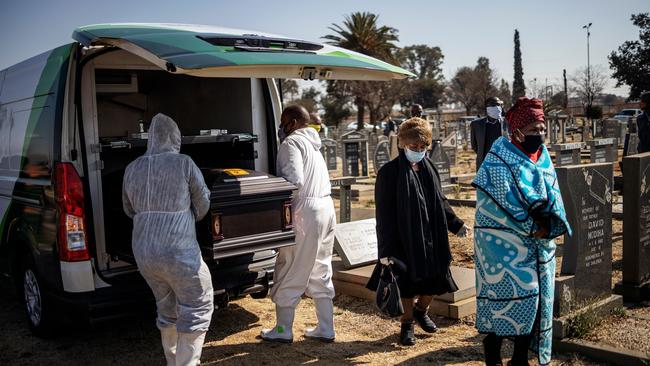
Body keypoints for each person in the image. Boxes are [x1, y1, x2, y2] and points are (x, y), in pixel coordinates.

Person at [472, 97, 571, 366]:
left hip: (539, 243)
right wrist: (530, 227)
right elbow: (500, 200)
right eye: (532, 130)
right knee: (503, 299)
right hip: (500, 244)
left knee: (535, 302)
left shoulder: (543, 154)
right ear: (516, 131)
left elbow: (553, 190)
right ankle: (492, 354)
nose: (538, 135)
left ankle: (519, 358)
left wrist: (550, 225)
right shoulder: (498, 155)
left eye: (541, 129)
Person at [366, 118, 471, 346]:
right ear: (403, 144)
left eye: (423, 147)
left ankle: (421, 310)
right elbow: (383, 215)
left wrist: (456, 224)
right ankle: (407, 325)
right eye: (414, 147)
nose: (419, 151)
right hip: (404, 237)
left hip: (432, 235)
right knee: (407, 282)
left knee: (437, 277)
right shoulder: (389, 173)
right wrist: (384, 250)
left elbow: (440, 200)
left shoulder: (429, 167)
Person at [122, 113, 213, 366]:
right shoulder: (183, 163)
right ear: (175, 137)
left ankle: (172, 361)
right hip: (178, 250)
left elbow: (128, 209)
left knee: (167, 308)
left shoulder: (132, 168)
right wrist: (187, 218)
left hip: (144, 253)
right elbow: (202, 200)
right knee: (198, 305)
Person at [261, 105, 337, 343]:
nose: (281, 128)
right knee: (320, 268)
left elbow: (294, 180)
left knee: (290, 266)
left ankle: (283, 330)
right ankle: (326, 328)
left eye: (283, 122)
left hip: (305, 211)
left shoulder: (291, 143)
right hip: (325, 208)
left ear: (293, 123)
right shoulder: (314, 145)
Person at [470, 96, 506, 171]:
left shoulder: (507, 123)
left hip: (503, 166)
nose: (497, 107)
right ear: (487, 108)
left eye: (499, 105)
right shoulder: (476, 125)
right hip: (484, 165)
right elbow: (474, 146)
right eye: (493, 105)